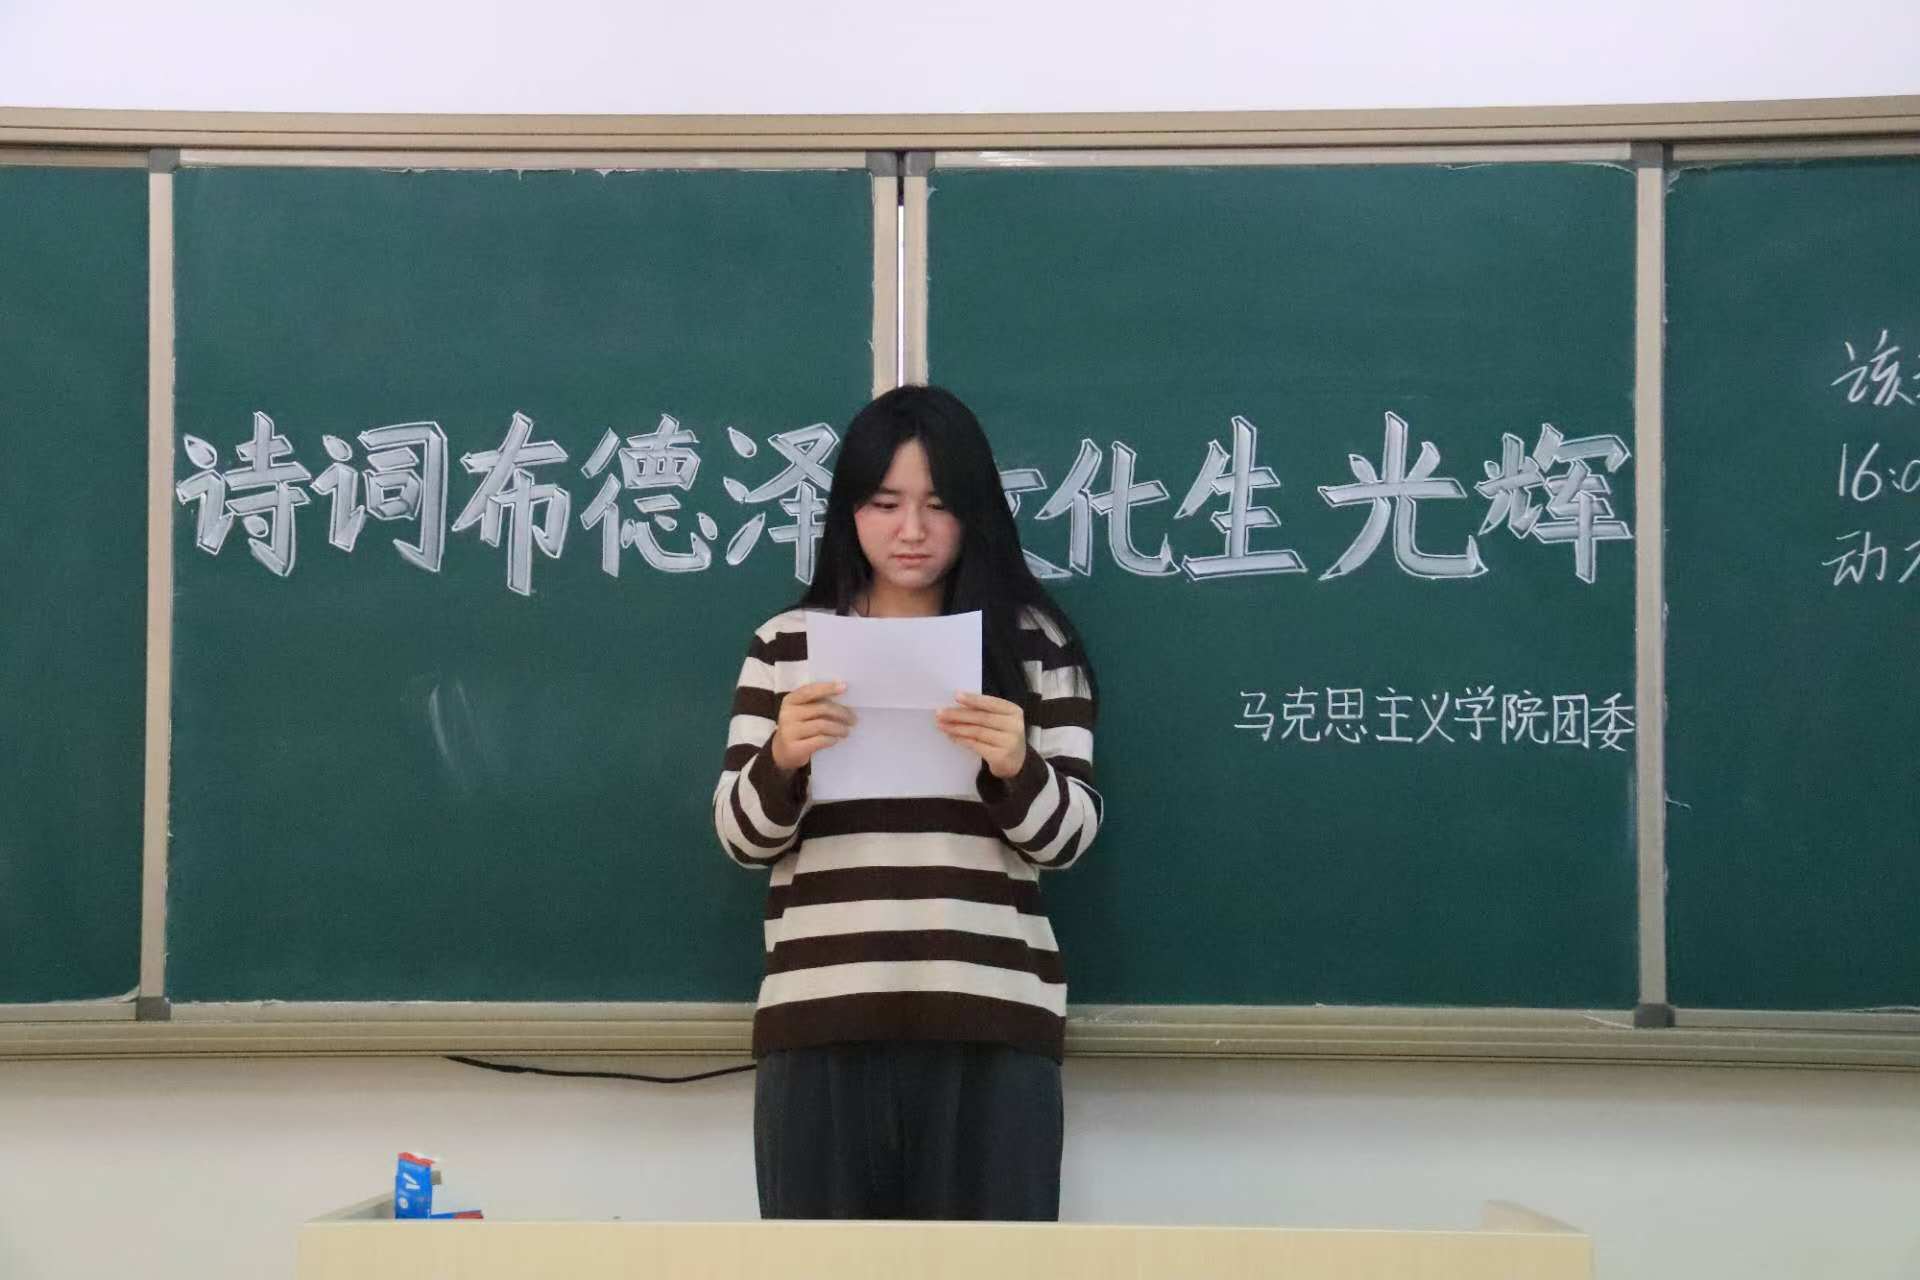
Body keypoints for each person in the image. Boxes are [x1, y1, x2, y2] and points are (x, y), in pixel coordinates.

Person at [712, 384, 1102, 1221]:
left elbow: (1069, 839)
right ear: (849, 511)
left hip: (992, 1023)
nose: (912, 530)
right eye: (886, 504)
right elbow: (741, 839)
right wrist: (784, 758)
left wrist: (1015, 766)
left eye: (938, 505)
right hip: (821, 1021)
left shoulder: (1036, 645)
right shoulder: (786, 645)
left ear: (976, 512)